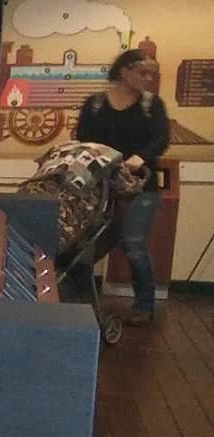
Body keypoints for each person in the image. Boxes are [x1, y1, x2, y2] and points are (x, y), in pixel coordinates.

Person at [72, 48, 170, 325]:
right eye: (142, 73)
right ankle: (78, 298)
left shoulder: (151, 105)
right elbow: (83, 139)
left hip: (140, 185)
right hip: (101, 184)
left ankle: (144, 305)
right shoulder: (95, 104)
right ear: (124, 71)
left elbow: (161, 139)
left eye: (150, 74)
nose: (147, 79)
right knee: (86, 242)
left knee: (134, 242)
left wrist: (140, 158)